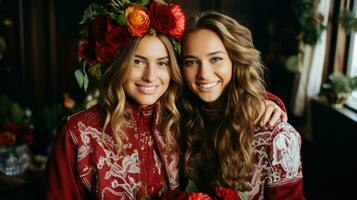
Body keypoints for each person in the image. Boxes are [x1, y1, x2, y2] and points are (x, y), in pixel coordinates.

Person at [43, 1, 287, 199]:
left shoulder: (181, 112)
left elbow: (220, 97)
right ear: (118, 64)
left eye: (162, 63)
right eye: (138, 61)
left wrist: (263, 101)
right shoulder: (78, 134)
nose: (150, 76)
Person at [179, 11, 305, 199]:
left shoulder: (277, 137)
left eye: (216, 59)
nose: (203, 74)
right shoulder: (179, 118)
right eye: (191, 62)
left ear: (235, 60)